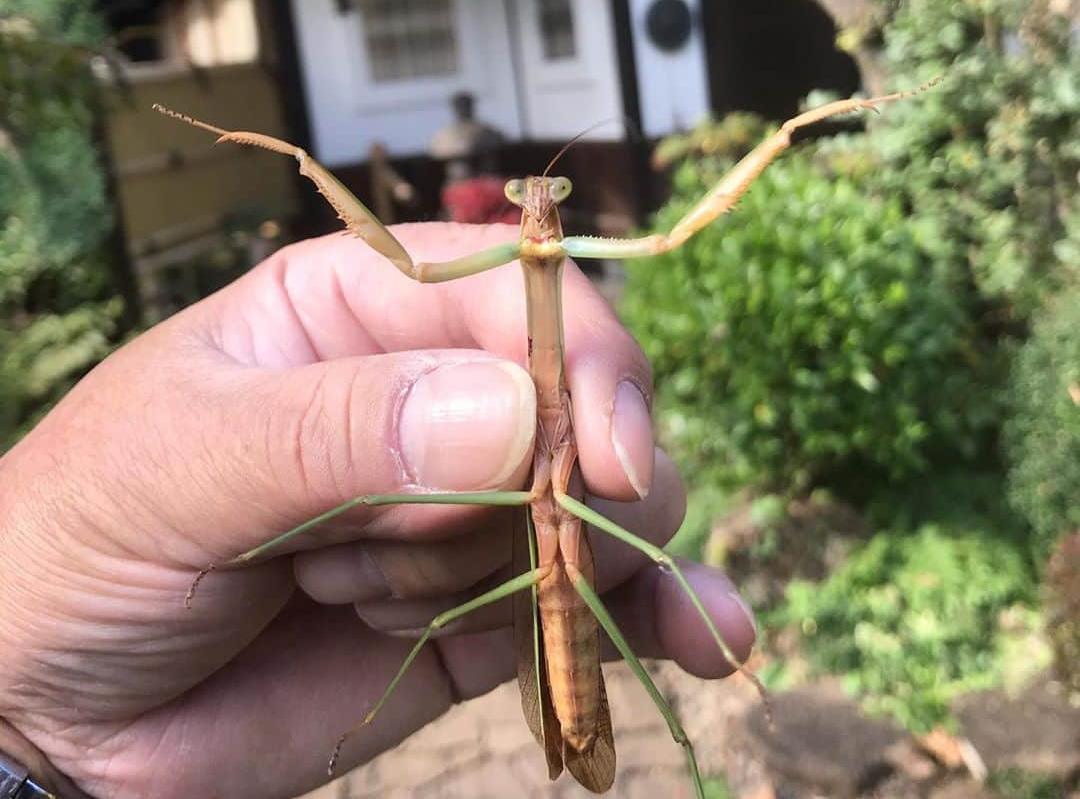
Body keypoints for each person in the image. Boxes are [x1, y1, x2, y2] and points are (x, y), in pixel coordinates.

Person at [0, 225, 756, 799]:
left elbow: (667, 237)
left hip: (559, 549)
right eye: (527, 204)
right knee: (405, 531)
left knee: (640, 550)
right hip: (546, 536)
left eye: (548, 206)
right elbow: (414, 269)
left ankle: (663, 750)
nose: (536, 218)